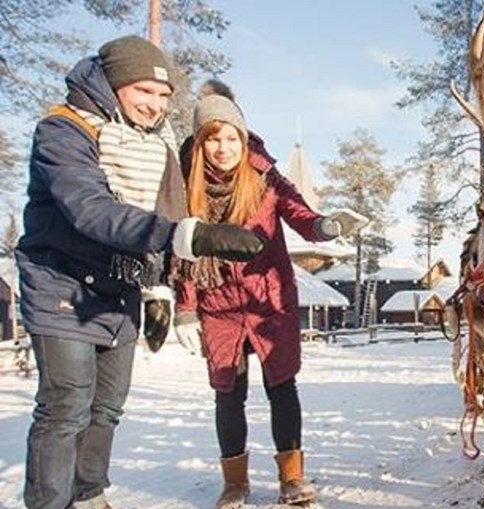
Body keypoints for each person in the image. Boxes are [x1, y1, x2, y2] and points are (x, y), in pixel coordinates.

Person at [16, 36, 267, 509]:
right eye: (143, 91)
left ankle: (89, 495)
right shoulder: (65, 130)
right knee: (66, 406)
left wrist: (159, 286)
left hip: (121, 285)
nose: (154, 105)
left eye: (163, 95)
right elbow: (91, 210)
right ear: (113, 85)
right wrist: (183, 236)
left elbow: (160, 202)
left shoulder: (157, 144)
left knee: (107, 407)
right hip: (62, 284)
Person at [173, 88, 364, 508]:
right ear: (200, 141)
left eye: (231, 138)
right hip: (217, 304)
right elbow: (183, 252)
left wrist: (327, 227)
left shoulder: (265, 177)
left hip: (269, 302)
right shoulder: (185, 186)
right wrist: (186, 308)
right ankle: (235, 483)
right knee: (228, 394)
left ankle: (291, 480)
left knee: (282, 387)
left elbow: (301, 214)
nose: (223, 149)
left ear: (244, 139)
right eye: (213, 138)